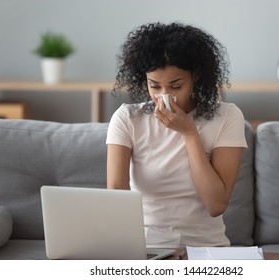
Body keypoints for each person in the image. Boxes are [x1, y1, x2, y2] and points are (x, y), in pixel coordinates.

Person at [106, 22, 247, 248]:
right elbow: (116, 198)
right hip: (146, 250)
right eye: (155, 86)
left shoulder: (227, 117)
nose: (164, 97)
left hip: (205, 249)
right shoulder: (128, 119)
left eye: (175, 86)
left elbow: (216, 205)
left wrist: (190, 133)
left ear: (196, 77)